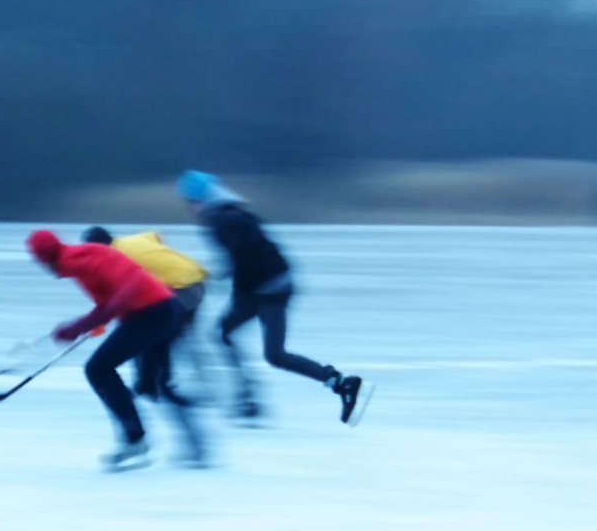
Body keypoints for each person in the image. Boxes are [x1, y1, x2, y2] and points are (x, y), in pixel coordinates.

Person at [176, 170, 367, 425]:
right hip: (265, 284)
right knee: (224, 332)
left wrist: (207, 276)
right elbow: (247, 255)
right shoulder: (228, 211)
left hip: (268, 288)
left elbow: (241, 257)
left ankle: (341, 383)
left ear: (195, 200)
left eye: (187, 202)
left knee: (274, 354)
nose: (187, 209)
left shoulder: (219, 218)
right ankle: (247, 398)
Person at [26, 229, 206, 470]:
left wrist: (80, 326)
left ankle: (136, 439)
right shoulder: (80, 256)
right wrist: (93, 321)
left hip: (152, 313)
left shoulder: (77, 261)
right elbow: (109, 299)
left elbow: (127, 289)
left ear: (43, 260)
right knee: (151, 383)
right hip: (161, 309)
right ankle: (193, 445)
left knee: (98, 370)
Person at [79, 226, 210, 400]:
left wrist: (100, 322)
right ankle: (149, 384)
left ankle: (156, 386)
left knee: (154, 335)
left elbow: (119, 300)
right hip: (195, 280)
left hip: (184, 289)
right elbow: (156, 235)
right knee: (153, 332)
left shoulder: (115, 259)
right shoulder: (129, 240)